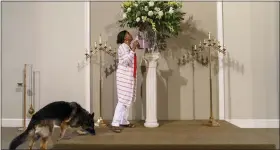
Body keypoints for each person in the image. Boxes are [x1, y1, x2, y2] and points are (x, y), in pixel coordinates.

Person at [110, 30, 139, 133]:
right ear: (124, 38)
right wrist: (133, 49)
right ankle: (115, 123)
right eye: (128, 34)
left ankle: (123, 121)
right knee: (123, 100)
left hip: (129, 76)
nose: (130, 34)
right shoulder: (122, 46)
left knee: (127, 100)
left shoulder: (128, 47)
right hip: (124, 76)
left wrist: (134, 47)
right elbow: (127, 61)